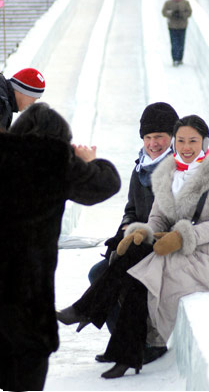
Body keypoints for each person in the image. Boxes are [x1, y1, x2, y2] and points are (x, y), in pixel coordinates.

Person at [57, 114, 209, 379]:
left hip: (203, 255)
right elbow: (157, 218)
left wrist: (185, 237)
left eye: (193, 141)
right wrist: (140, 233)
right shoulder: (168, 173)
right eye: (182, 141)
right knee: (132, 257)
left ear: (204, 142)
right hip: (169, 247)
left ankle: (91, 314)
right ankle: (123, 351)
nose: (187, 147)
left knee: (140, 275)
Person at [0, 102, 121, 391]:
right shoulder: (53, 159)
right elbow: (106, 184)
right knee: (29, 363)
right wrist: (88, 161)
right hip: (26, 294)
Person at [86, 102, 179, 364]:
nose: (153, 143)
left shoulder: (177, 169)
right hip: (137, 243)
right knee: (98, 272)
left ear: (171, 137)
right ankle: (126, 345)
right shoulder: (140, 168)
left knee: (124, 277)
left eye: (159, 136)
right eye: (148, 137)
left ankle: (147, 344)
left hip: (162, 246)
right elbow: (130, 208)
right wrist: (126, 227)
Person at [162, 0, 192, 66]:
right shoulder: (168, 3)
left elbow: (189, 12)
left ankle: (180, 58)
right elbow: (164, 12)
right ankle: (175, 59)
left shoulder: (185, 3)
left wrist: (182, 14)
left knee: (181, 43)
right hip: (173, 27)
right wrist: (171, 13)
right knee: (174, 43)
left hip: (182, 26)